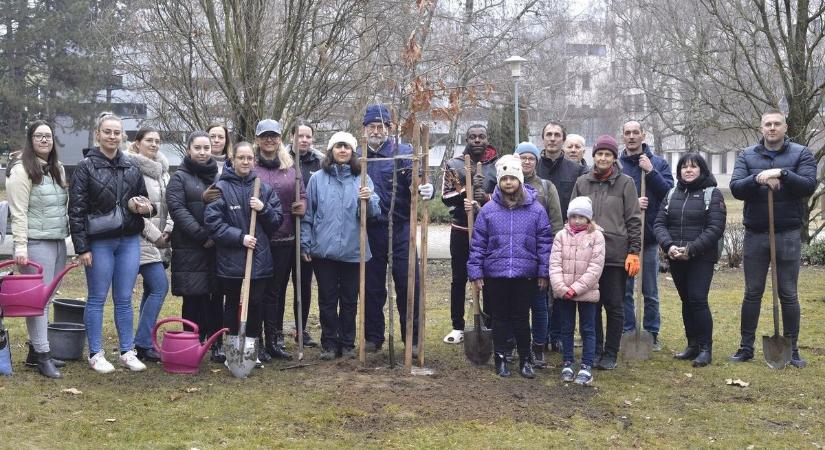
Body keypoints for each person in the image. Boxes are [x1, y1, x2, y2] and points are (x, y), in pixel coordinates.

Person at [729, 110, 817, 368]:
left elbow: (809, 185)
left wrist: (781, 173)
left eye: (777, 124)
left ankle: (792, 348)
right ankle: (746, 347)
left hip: (787, 232)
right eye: (767, 124)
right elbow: (736, 187)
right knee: (752, 292)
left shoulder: (801, 154)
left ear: (785, 127)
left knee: (788, 293)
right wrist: (758, 178)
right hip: (756, 233)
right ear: (761, 128)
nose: (772, 128)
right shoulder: (747, 155)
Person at [69, 113, 154, 374]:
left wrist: (144, 207)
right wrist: (82, 247)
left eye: (117, 132)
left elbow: (147, 202)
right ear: (98, 134)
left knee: (124, 298)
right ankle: (96, 353)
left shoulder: (131, 166)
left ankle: (127, 351)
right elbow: (76, 209)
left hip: (128, 239)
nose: (112, 136)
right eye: (107, 131)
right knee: (97, 298)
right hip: (99, 241)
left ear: (123, 136)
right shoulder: (86, 166)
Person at [467, 154, 552, 378]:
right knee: (500, 319)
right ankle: (501, 359)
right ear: (499, 181)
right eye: (504, 179)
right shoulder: (488, 211)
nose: (508, 183)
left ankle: (526, 359)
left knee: (522, 318)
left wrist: (543, 272)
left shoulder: (536, 210)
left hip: (525, 275)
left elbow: (544, 243)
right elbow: (478, 243)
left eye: (512, 178)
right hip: (496, 274)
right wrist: (475, 272)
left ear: (520, 180)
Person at [361, 104, 433, 355]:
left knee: (408, 281)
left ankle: (412, 339)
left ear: (390, 129)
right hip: (369, 230)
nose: (377, 131)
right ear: (365, 129)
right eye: (372, 126)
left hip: (401, 227)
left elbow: (419, 178)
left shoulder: (403, 153)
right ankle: (373, 336)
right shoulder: (360, 156)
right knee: (371, 285)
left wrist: (426, 187)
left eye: (381, 126)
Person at [302, 132, 379, 360]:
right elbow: (308, 214)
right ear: (331, 150)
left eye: (346, 147)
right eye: (338, 147)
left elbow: (374, 214)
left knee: (349, 300)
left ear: (353, 151)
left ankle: (347, 343)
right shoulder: (317, 179)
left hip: (353, 250)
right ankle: (328, 343)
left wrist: (368, 200)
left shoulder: (362, 178)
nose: (342, 150)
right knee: (326, 299)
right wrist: (306, 243)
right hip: (323, 251)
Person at [204, 142, 283, 358]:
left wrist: (263, 208)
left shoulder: (263, 189)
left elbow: (276, 221)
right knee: (231, 305)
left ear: (254, 161)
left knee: (255, 304)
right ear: (233, 159)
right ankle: (231, 350)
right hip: (231, 259)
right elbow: (213, 223)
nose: (246, 162)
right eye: (241, 158)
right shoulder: (221, 188)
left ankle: (250, 352)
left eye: (249, 158)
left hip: (258, 259)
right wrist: (240, 238)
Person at [571, 135, 641, 370]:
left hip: (614, 254)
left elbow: (633, 218)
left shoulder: (626, 183)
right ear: (593, 156)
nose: (603, 158)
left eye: (608, 154)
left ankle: (610, 352)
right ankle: (596, 349)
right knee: (592, 304)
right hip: (587, 254)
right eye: (599, 154)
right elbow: (572, 217)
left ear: (614, 158)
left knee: (614, 304)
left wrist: (634, 251)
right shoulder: (582, 182)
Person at [6, 120, 69, 378]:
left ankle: (35, 351)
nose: (44, 140)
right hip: (34, 243)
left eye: (48, 136)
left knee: (48, 297)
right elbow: (18, 212)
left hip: (57, 241)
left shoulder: (57, 168)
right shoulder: (21, 170)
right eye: (39, 136)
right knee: (38, 302)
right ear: (30, 140)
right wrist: (20, 246)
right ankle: (43, 355)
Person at [654, 153, 725, 367]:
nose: (688, 170)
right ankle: (692, 345)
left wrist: (691, 249)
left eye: (693, 167)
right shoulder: (671, 193)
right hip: (677, 257)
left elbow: (715, 228)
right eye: (684, 167)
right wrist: (669, 246)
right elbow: (659, 223)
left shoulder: (713, 194)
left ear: (702, 170)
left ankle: (705, 348)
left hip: (701, 258)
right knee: (686, 300)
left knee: (698, 300)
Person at [252, 119, 307, 361]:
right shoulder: (250, 166)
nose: (269, 140)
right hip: (259, 237)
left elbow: (302, 195)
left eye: (273, 136)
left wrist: (301, 206)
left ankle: (275, 339)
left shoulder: (290, 168)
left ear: (280, 138)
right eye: (265, 136)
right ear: (258, 139)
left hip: (285, 237)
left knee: (277, 291)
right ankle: (257, 341)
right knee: (258, 291)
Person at [167, 131, 223, 362]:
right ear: (188, 149)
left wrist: (218, 235)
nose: (202, 152)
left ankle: (216, 343)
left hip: (217, 247)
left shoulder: (219, 176)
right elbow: (178, 210)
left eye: (206, 148)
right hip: (191, 248)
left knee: (216, 296)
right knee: (193, 298)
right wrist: (202, 236)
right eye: (197, 148)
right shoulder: (179, 177)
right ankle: (191, 342)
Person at [440, 125, 499, 344]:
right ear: (466, 139)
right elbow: (446, 196)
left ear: (487, 139)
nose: (477, 140)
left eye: (481, 137)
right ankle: (458, 325)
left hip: (489, 232)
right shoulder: (455, 164)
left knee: (490, 278)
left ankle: (489, 323)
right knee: (459, 278)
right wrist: (467, 190)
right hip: (461, 230)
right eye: (472, 137)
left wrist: (487, 197)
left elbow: (507, 193)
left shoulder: (497, 164)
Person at [619, 121, 673, 350]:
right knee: (625, 291)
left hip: (648, 237)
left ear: (643, 135)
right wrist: (632, 204)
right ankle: (628, 330)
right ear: (623, 136)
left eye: (635, 133)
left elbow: (668, 193)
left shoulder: (658, 163)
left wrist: (651, 172)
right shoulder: (617, 165)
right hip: (625, 238)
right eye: (627, 133)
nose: (631, 137)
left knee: (649, 290)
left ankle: (651, 332)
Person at [536, 121, 588, 353]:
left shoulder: (575, 171)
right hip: (536, 236)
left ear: (563, 140)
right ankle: (540, 334)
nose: (553, 138)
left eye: (558, 135)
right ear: (543, 138)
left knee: (560, 288)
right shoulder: (532, 166)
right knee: (539, 288)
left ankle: (557, 335)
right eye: (549, 134)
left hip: (567, 237)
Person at [127, 127, 173, 362]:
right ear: (137, 144)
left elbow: (168, 205)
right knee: (159, 286)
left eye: (157, 141)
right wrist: (156, 236)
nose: (154, 144)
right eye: (149, 141)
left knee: (151, 289)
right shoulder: (133, 169)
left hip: (160, 240)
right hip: (141, 238)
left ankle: (142, 342)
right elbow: (136, 211)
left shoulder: (163, 171)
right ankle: (142, 343)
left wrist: (168, 230)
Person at [514, 141, 562, 368]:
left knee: (540, 304)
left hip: (540, 255)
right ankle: (517, 344)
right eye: (522, 157)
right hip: (515, 255)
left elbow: (556, 223)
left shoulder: (546, 187)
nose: (527, 161)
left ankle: (539, 347)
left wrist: (551, 255)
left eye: (531, 158)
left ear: (536, 161)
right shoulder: (508, 185)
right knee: (516, 304)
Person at [550, 196, 605, 385]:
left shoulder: (597, 236)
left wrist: (576, 289)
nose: (578, 220)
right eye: (574, 216)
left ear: (589, 218)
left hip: (586, 293)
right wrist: (562, 288)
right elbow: (554, 264)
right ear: (568, 217)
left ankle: (586, 365)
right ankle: (567, 361)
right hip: (564, 292)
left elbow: (595, 268)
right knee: (566, 328)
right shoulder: (560, 236)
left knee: (588, 329)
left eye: (582, 217)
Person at [286, 120, 324, 348]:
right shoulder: (283, 160)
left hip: (309, 232)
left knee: (304, 283)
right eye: (300, 136)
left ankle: (301, 330)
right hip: (283, 230)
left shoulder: (319, 163)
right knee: (279, 284)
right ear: (291, 137)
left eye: (308, 136)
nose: (304, 140)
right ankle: (271, 330)